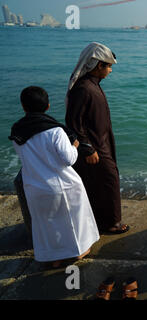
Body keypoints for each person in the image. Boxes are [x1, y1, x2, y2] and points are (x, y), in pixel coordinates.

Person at [9, 86, 99, 268]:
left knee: (46, 224)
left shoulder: (17, 131)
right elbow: (68, 160)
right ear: (48, 106)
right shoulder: (55, 131)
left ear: (23, 107)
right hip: (62, 184)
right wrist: (74, 145)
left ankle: (53, 258)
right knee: (73, 220)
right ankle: (78, 252)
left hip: (34, 185)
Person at [65, 42, 129, 234]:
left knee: (99, 181)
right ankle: (110, 223)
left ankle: (99, 219)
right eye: (108, 66)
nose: (110, 70)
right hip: (94, 145)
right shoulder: (84, 88)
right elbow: (73, 122)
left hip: (102, 142)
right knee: (109, 179)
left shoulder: (92, 85)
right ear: (98, 65)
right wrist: (87, 148)